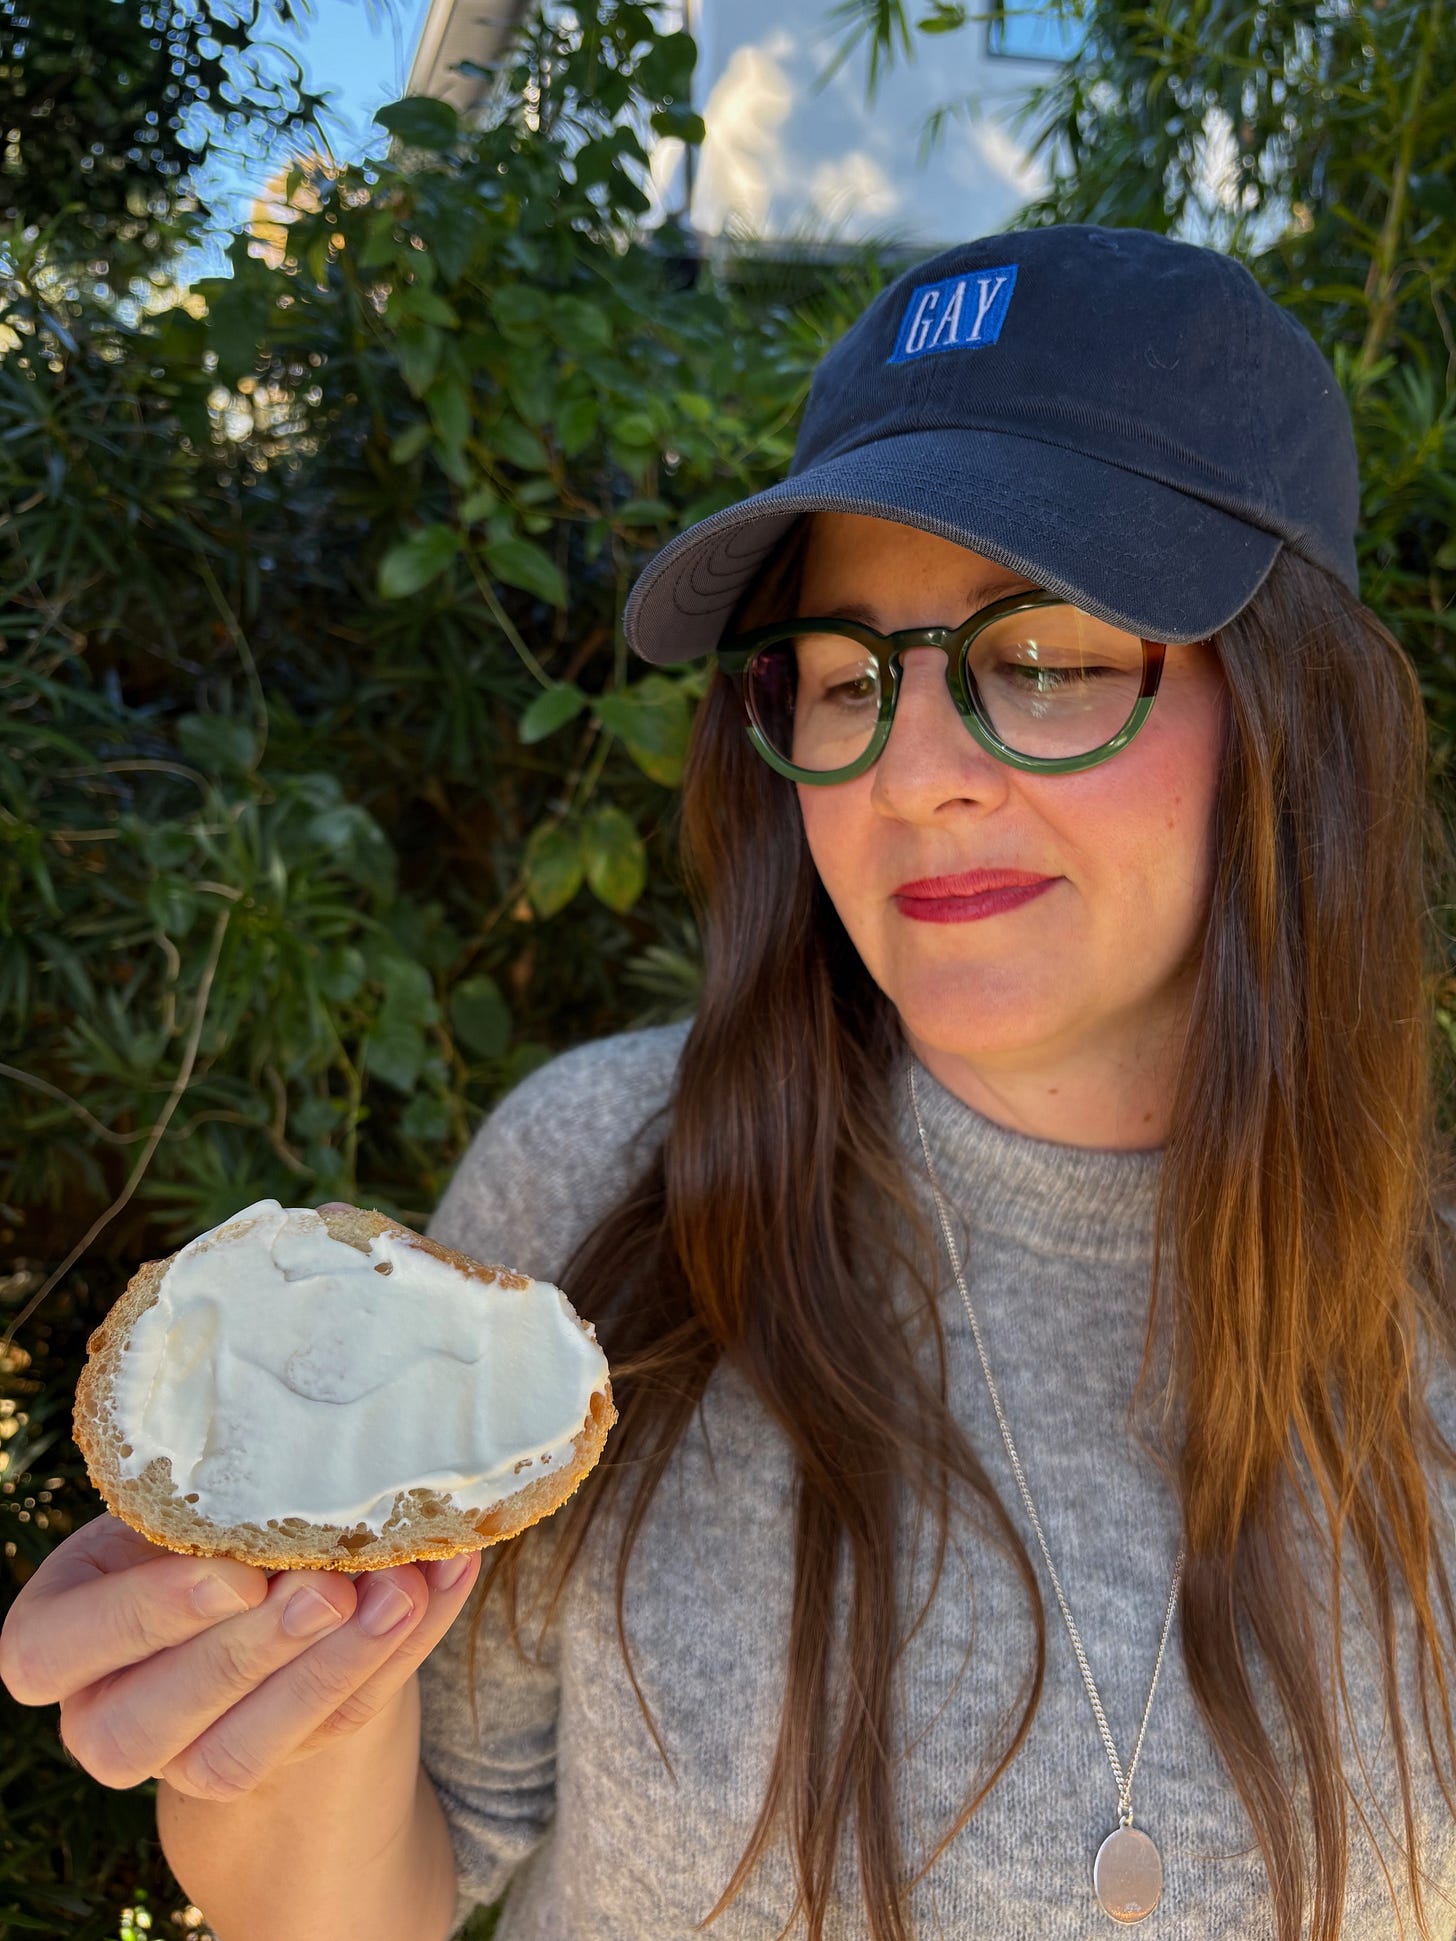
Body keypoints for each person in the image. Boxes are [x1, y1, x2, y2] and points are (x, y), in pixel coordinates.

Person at [2, 223, 1453, 1941]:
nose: (912, 775)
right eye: (846, 679)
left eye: (1043, 658)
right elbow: (372, 1894)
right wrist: (282, 1712)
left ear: (1300, 723)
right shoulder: (603, 1190)